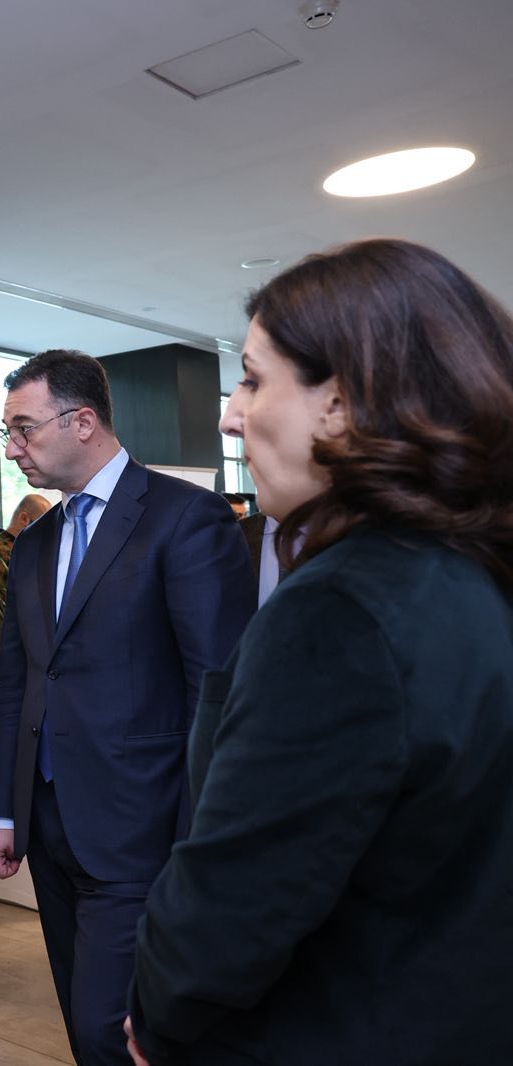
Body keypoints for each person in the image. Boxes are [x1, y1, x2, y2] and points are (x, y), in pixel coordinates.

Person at [125, 239, 513, 1065]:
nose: (230, 415)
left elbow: (232, 907)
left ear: (338, 404)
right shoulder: (471, 575)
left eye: (252, 379)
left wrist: (158, 1013)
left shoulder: (341, 611)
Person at [0, 350, 253, 1065]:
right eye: (6, 433)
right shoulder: (33, 543)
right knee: (83, 1022)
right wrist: (4, 810)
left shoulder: (184, 517)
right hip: (49, 826)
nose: (11, 448)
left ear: (83, 422)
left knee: (111, 1028)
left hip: (142, 827)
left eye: (23, 429)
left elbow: (217, 692)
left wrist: (199, 840)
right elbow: (19, 685)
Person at [0, 493, 52, 666]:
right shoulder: (2, 556)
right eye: (43, 525)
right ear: (24, 518)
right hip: (4, 652)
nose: (47, 533)